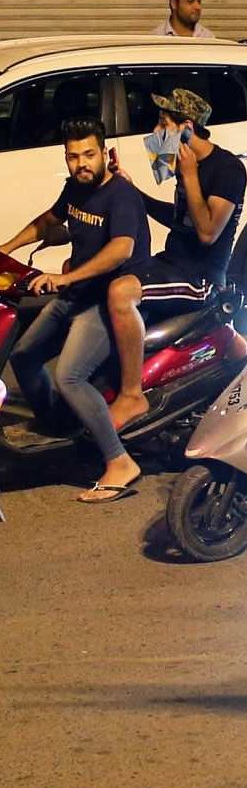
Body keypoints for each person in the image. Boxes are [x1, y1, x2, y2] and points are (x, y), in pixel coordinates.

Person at [0, 117, 151, 502]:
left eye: (88, 154)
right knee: (24, 355)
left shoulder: (121, 195)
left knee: (70, 375)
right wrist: (7, 247)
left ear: (104, 153)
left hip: (104, 297)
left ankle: (118, 460)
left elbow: (122, 249)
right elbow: (48, 222)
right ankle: (60, 424)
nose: (81, 163)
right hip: (77, 292)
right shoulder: (75, 188)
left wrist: (65, 278)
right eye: (73, 156)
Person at [105, 88, 247, 431]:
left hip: (201, 278)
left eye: (162, 122)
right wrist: (131, 189)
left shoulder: (227, 169)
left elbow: (208, 232)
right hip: (172, 263)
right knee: (103, 275)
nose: (156, 131)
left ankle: (131, 395)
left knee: (121, 293)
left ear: (186, 126)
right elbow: (180, 218)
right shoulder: (185, 164)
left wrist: (190, 177)